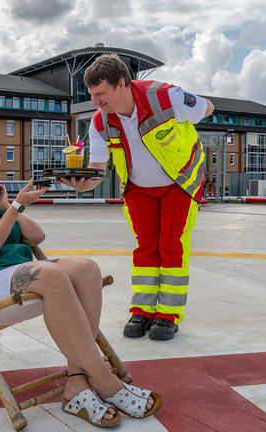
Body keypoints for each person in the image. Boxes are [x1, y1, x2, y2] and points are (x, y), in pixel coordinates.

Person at [0, 148, 162, 427]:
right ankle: (103, 380)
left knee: (86, 268)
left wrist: (7, 206)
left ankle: (77, 382)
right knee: (53, 274)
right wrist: (17, 206)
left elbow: (36, 236)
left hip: (18, 275)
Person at [59, 54, 215, 341]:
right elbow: (97, 167)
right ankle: (142, 310)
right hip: (138, 189)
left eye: (100, 94)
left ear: (122, 84)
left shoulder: (166, 97)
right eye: (92, 95)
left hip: (178, 184)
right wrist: (83, 186)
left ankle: (168, 315)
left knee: (171, 245)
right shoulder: (99, 121)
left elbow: (207, 108)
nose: (95, 101)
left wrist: (183, 125)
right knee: (145, 247)